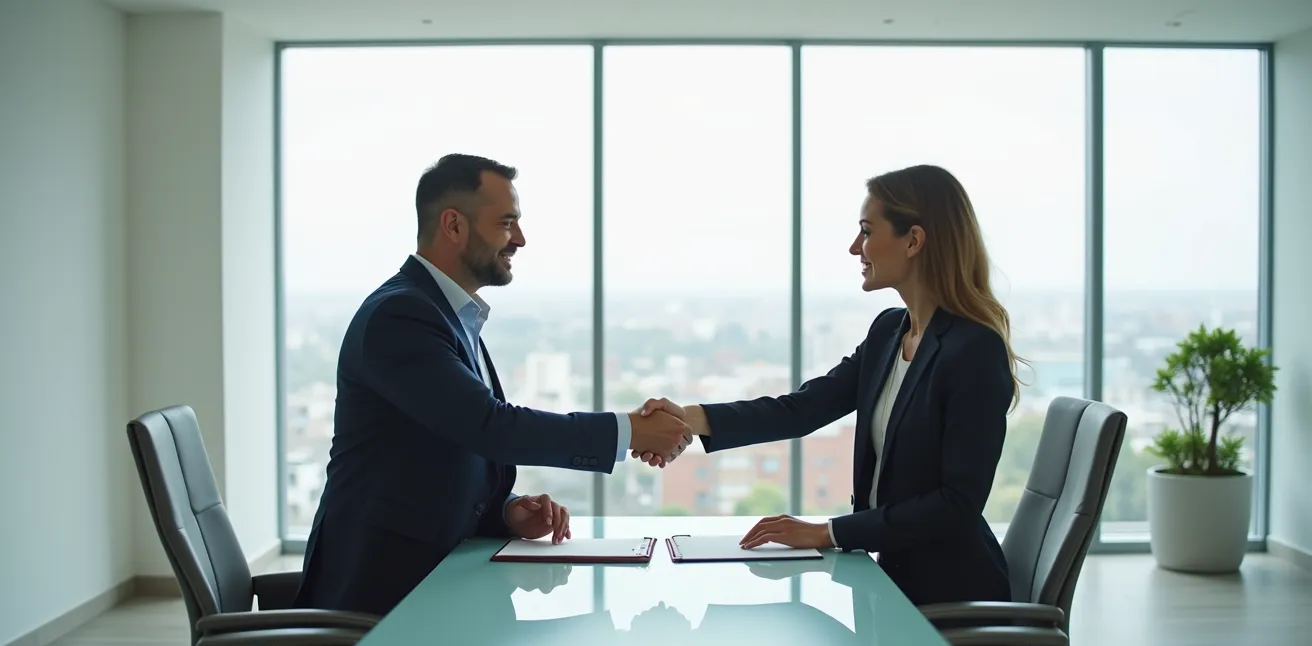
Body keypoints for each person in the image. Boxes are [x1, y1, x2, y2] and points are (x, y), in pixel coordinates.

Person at [293, 154, 692, 618]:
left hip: (436, 585)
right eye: (507, 223)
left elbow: (441, 452)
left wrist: (504, 511)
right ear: (453, 226)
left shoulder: (449, 315)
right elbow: (490, 426)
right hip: (385, 596)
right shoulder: (401, 317)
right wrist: (629, 432)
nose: (520, 239)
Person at [637, 164, 1021, 610]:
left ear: (913, 240)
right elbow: (802, 409)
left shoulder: (973, 350)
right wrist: (688, 417)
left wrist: (828, 532)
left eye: (866, 231)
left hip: (951, 597)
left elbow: (956, 505)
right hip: (888, 581)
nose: (855, 247)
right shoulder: (889, 333)